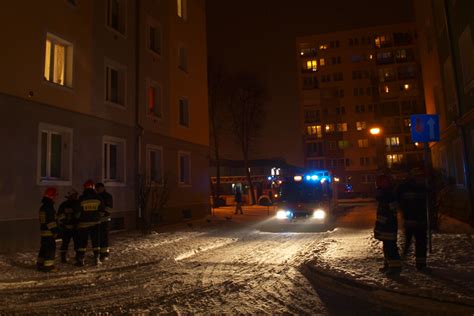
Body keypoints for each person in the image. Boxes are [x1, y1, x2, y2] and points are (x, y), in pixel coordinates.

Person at [397, 168, 429, 272]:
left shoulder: (423, 188)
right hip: (410, 220)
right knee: (409, 241)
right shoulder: (405, 187)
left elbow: (428, 202)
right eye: (418, 176)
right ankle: (405, 258)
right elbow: (398, 198)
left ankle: (421, 264)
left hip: (420, 220)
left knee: (421, 243)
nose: (420, 178)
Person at [374, 174, 401, 277]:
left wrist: (383, 223)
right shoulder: (384, 195)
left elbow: (391, 211)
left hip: (389, 226)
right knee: (387, 247)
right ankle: (389, 266)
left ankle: (395, 268)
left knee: (391, 247)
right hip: (384, 225)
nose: (380, 184)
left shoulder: (389, 195)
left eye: (383, 182)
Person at [75, 180, 105, 266]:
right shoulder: (98, 198)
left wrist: (81, 218)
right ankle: (97, 259)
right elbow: (102, 211)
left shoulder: (81, 198)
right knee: (96, 241)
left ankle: (81, 260)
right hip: (95, 223)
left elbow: (77, 213)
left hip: (83, 224)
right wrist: (97, 217)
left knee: (82, 242)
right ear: (93, 188)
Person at [37, 187, 60, 272]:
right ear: (51, 196)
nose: (55, 198)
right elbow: (51, 221)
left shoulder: (43, 207)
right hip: (49, 232)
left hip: (44, 231)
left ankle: (40, 264)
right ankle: (48, 266)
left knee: (44, 248)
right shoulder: (49, 207)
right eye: (55, 196)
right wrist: (55, 231)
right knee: (50, 249)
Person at [57, 189, 80, 263]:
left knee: (75, 243)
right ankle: (64, 257)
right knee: (66, 243)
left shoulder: (65, 204)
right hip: (69, 227)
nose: (76, 196)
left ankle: (76, 256)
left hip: (72, 227)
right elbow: (60, 216)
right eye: (75, 195)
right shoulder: (76, 204)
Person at [96, 182, 113, 261]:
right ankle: (100, 252)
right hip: (98, 220)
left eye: (98, 189)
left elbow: (109, 208)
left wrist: (102, 213)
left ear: (102, 188)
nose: (97, 190)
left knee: (104, 237)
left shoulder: (108, 196)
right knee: (99, 237)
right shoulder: (97, 196)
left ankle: (105, 253)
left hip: (105, 219)